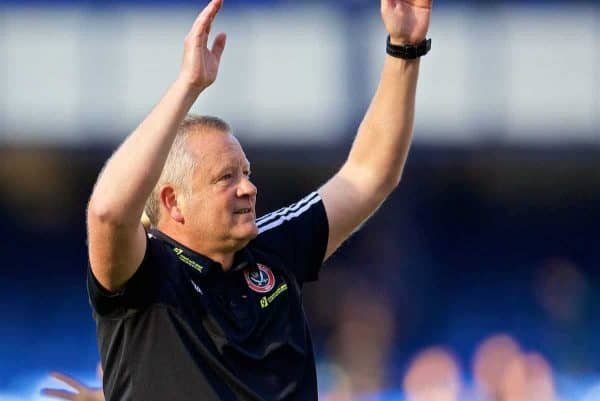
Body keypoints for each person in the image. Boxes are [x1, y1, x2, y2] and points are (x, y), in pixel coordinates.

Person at [86, 0, 433, 399]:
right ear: (173, 202)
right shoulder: (145, 275)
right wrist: (187, 87)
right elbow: (109, 213)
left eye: (246, 173)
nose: (248, 188)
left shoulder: (273, 247)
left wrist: (405, 48)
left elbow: (370, 174)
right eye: (225, 178)